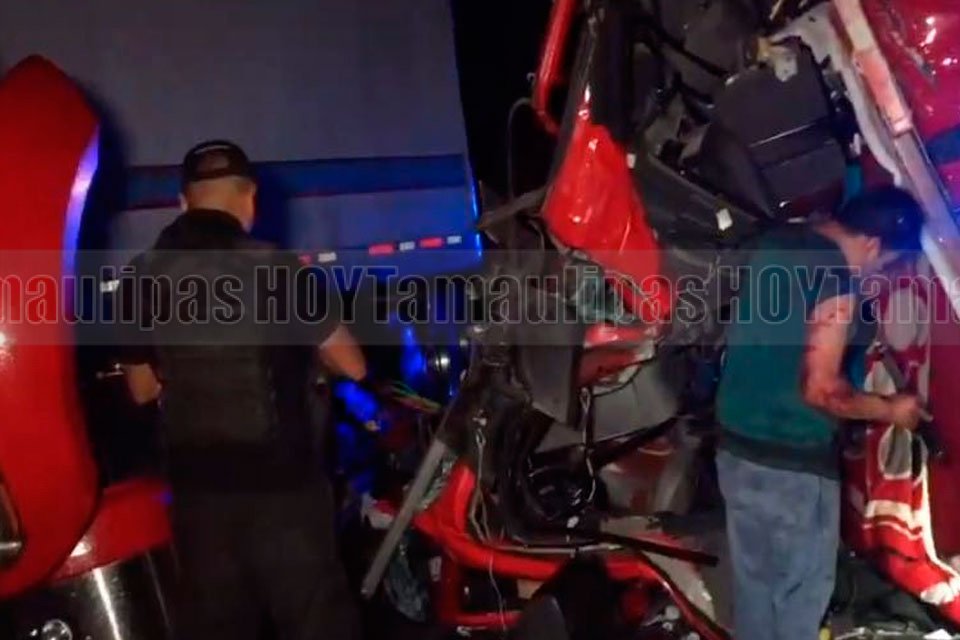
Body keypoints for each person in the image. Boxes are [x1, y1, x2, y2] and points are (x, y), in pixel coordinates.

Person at [116, 140, 366, 640]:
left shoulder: (139, 275)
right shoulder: (280, 268)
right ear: (250, 198)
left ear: (182, 202)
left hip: (199, 502)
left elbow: (141, 389)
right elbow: (353, 366)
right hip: (287, 496)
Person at [714, 186, 926, 640]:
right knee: (798, 602)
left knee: (755, 593)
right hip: (790, 462)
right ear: (873, 245)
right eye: (886, 264)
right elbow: (823, 390)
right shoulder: (835, 274)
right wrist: (892, 410)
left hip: (736, 447)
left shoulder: (777, 241)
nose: (877, 274)